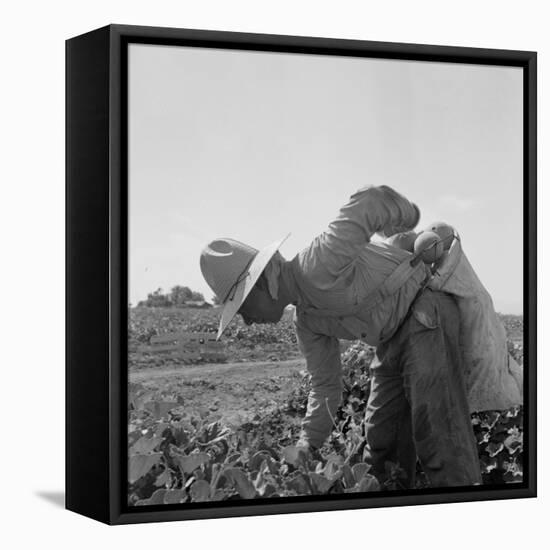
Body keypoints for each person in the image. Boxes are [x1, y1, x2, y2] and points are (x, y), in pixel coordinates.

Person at [200, 185, 482, 488]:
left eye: (241, 305)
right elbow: (325, 387)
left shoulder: (318, 262)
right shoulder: (306, 322)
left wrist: (407, 217)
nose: (246, 320)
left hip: (426, 316)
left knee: (439, 433)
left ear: (264, 281)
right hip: (391, 338)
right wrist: (308, 444)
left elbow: (371, 201)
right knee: (382, 443)